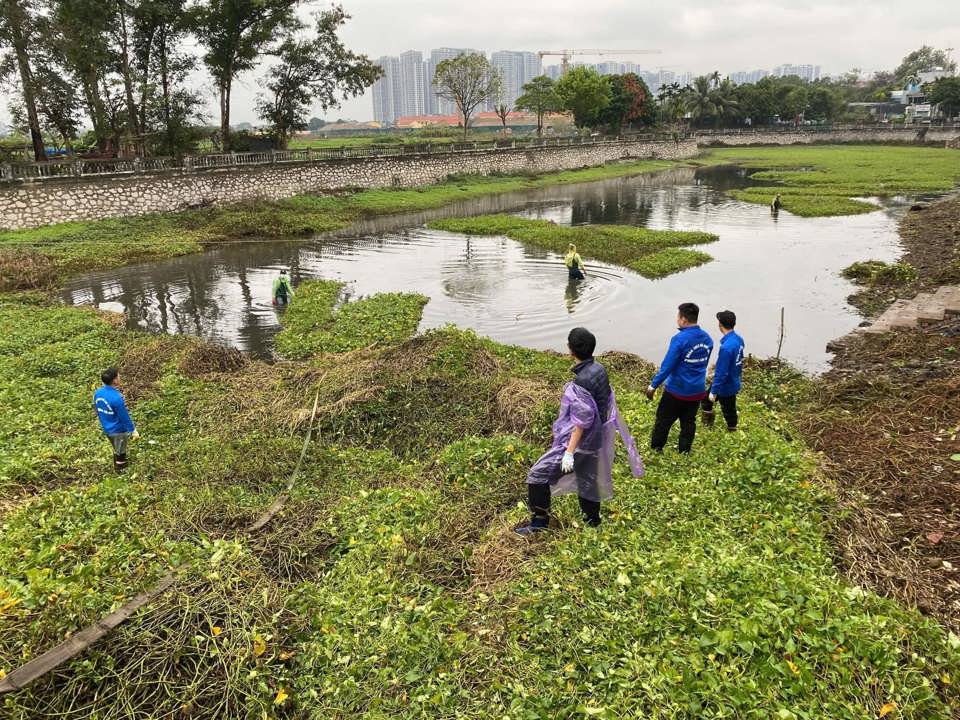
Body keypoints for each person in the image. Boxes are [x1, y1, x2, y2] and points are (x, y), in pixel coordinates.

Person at [516, 327, 644, 534]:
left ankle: (539, 524)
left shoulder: (581, 381)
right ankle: (593, 522)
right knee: (587, 479)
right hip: (596, 440)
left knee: (537, 475)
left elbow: (582, 421)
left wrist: (568, 452)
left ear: (570, 350)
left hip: (581, 443)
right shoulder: (599, 370)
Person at [645, 302, 714, 453]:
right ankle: (684, 451)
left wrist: (653, 385)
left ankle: (657, 448)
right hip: (697, 390)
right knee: (688, 422)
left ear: (683, 319)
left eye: (678, 317)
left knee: (663, 420)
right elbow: (703, 364)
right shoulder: (708, 339)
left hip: (677, 390)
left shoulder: (679, 339)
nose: (677, 320)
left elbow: (667, 366)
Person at [702, 310, 745, 432]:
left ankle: (731, 430)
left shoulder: (726, 348)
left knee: (728, 409)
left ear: (720, 324)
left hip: (725, 386)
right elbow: (740, 359)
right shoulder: (739, 340)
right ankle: (709, 426)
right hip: (734, 380)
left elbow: (722, 372)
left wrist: (714, 391)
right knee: (707, 402)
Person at [94, 367, 139, 472]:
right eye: (118, 376)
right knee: (121, 453)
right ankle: (121, 473)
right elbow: (124, 416)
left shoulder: (98, 393)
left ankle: (116, 468)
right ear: (114, 380)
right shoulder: (116, 398)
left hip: (107, 428)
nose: (120, 377)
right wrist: (133, 431)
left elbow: (97, 409)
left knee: (116, 448)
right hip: (118, 430)